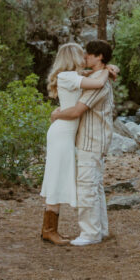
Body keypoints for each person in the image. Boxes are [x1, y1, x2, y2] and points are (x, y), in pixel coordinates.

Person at [40, 42, 115, 246]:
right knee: (78, 182)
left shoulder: (93, 79)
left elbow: (75, 111)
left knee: (89, 184)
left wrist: (57, 113)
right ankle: (52, 230)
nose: (85, 58)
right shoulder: (79, 77)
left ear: (99, 57)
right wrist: (108, 70)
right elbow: (76, 105)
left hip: (87, 139)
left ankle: (91, 233)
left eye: (88, 54)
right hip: (66, 134)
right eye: (82, 55)